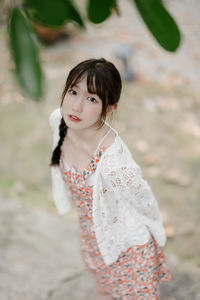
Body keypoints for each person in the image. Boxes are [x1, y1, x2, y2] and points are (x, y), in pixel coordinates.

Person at [49, 58, 171, 300]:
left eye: (92, 99)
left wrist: (155, 235)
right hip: (93, 237)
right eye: (73, 92)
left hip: (127, 247)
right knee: (104, 291)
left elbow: (142, 200)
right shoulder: (60, 121)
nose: (76, 106)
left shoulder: (113, 160)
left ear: (109, 108)